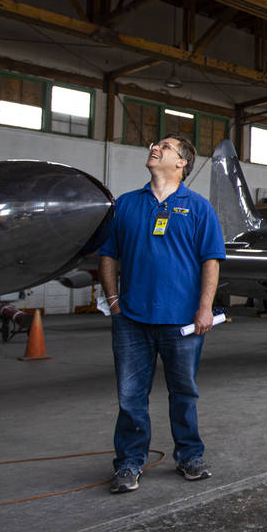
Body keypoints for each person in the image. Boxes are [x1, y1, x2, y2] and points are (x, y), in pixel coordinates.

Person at [98, 135, 226, 494]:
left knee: (184, 392)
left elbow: (210, 260)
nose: (155, 148)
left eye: (166, 147)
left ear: (181, 163)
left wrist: (204, 307)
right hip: (132, 320)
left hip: (182, 322)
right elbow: (108, 255)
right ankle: (128, 462)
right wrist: (113, 300)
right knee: (130, 396)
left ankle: (189, 455)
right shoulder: (125, 205)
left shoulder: (198, 208)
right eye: (155, 144)